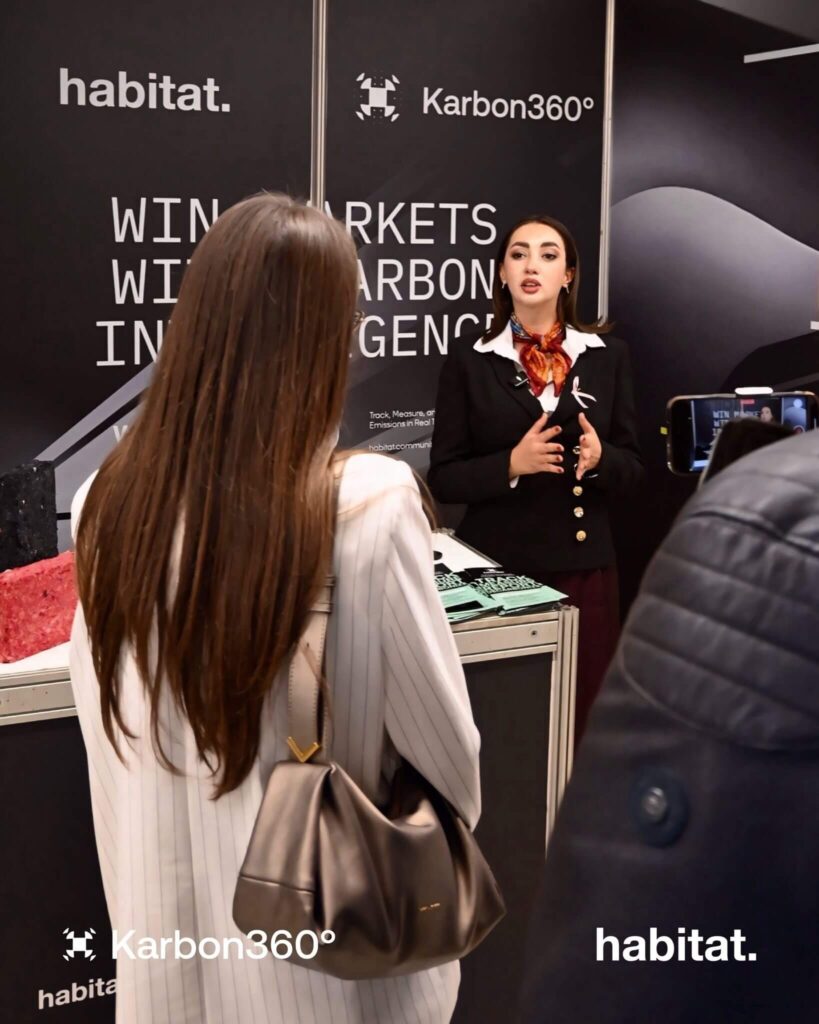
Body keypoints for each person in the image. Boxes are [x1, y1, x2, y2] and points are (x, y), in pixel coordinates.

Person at [70, 194, 481, 1024]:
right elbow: (448, 765)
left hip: (161, 963)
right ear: (326, 339)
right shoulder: (369, 506)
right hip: (329, 970)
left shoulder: (103, 505)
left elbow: (108, 746)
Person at [519, 427, 819, 1024]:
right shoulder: (769, 527)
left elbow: (629, 955)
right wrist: (512, 462)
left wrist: (602, 461)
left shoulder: (763, 533)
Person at [428, 215, 643, 741]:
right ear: (502, 273)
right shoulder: (470, 360)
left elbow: (636, 471)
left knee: (581, 718)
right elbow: (444, 479)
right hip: (498, 575)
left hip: (584, 568)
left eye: (548, 255)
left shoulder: (608, 356)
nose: (532, 266)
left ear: (568, 276)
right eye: (519, 254)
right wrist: (510, 464)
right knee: (507, 726)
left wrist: (602, 459)